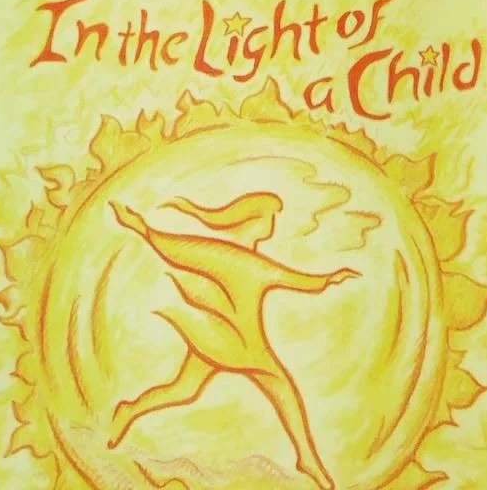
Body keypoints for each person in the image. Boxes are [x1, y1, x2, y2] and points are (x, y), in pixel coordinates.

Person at [108, 193, 360, 490]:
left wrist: (329, 278)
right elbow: (171, 248)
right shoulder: (238, 259)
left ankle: (131, 409)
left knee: (185, 389)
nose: (273, 223)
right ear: (250, 219)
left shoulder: (236, 257)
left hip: (226, 339)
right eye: (269, 216)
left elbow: (170, 246)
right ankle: (308, 459)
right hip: (238, 344)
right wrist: (142, 228)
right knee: (280, 384)